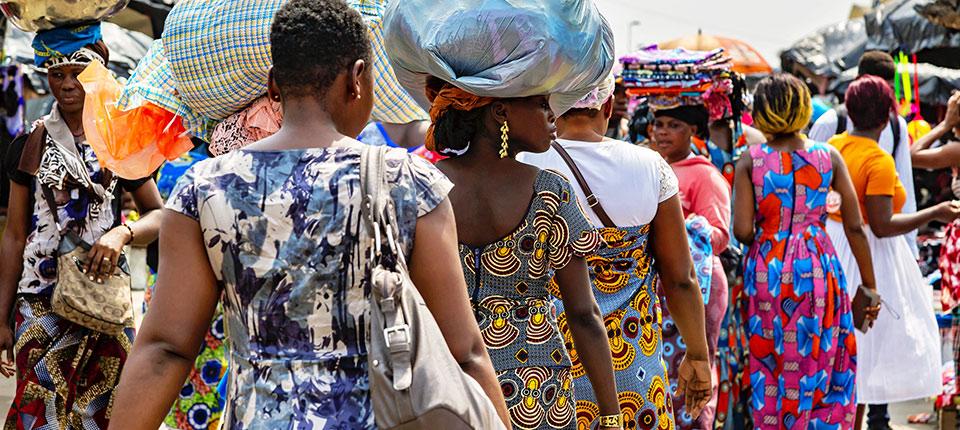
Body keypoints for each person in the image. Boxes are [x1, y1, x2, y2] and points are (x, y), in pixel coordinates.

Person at [107, 2, 510, 428]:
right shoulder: (408, 182)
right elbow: (464, 353)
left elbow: (165, 350)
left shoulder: (204, 188)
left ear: (273, 85)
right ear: (358, 79)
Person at [520, 76, 713, 429]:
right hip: (633, 368)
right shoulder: (650, 166)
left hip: (547, 368)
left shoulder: (525, 165)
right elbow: (681, 278)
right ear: (608, 107)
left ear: (553, 105)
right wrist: (698, 356)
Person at [428, 78, 621, 428]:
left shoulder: (425, 185)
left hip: (447, 374)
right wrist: (611, 415)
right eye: (542, 104)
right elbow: (583, 313)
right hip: (536, 387)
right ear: (500, 112)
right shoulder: (549, 191)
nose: (553, 116)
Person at [0, 24, 164, 429]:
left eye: (78, 72)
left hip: (104, 301)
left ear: (99, 70)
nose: (67, 84)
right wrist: (1, 318)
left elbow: (159, 217)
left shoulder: (119, 139)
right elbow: (15, 234)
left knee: (104, 414)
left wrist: (121, 233)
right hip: (39, 300)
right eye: (57, 74)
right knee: (39, 414)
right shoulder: (30, 143)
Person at [732, 74, 878, 429]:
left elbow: (742, 230)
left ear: (762, 112)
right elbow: (856, 227)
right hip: (819, 266)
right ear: (803, 108)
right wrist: (870, 287)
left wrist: (771, 235)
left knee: (770, 357)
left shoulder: (749, 160)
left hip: (767, 269)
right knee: (823, 351)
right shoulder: (829, 156)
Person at [824, 75, 956, 430]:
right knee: (865, 353)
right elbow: (881, 224)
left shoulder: (833, 147)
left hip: (836, 247)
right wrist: (934, 212)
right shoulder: (878, 161)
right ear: (887, 118)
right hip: (869, 255)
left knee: (845, 352)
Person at [649, 103, 732, 429]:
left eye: (674, 125)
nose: (663, 132)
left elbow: (719, 235)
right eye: (659, 123)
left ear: (693, 132)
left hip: (698, 288)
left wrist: (677, 226)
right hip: (658, 289)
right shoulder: (650, 167)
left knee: (694, 372)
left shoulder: (704, 174)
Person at [809, 51, 918, 257]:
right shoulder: (831, 123)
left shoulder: (897, 125)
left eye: (887, 91)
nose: (882, 98)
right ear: (859, 84)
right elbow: (812, 183)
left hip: (884, 246)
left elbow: (905, 183)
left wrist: (911, 246)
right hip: (837, 239)